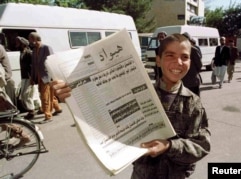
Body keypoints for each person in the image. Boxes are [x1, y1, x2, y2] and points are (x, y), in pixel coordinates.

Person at [51, 34, 211, 179]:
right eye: (170, 55)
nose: (178, 62)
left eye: (185, 57)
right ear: (158, 59)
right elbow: (100, 108)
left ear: (191, 61)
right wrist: (71, 94)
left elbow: (201, 145)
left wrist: (169, 146)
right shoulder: (135, 92)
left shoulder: (193, 102)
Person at [29, 32, 62, 124]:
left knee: (44, 96)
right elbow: (34, 66)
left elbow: (52, 61)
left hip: (47, 76)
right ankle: (58, 108)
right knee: (49, 94)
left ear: (35, 39)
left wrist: (54, 76)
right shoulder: (34, 50)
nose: (29, 42)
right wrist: (32, 78)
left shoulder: (46, 48)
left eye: (30, 40)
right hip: (39, 77)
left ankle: (48, 116)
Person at [15, 36, 36, 119]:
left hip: (28, 77)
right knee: (25, 95)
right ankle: (31, 110)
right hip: (24, 77)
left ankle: (31, 111)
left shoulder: (29, 53)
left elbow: (32, 67)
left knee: (25, 95)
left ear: (23, 44)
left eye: (18, 42)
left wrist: (32, 78)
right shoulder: (22, 52)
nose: (16, 44)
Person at [182, 32, 203, 96]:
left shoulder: (193, 50)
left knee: (195, 100)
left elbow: (199, 65)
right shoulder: (179, 50)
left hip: (193, 81)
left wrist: (193, 71)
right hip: (183, 81)